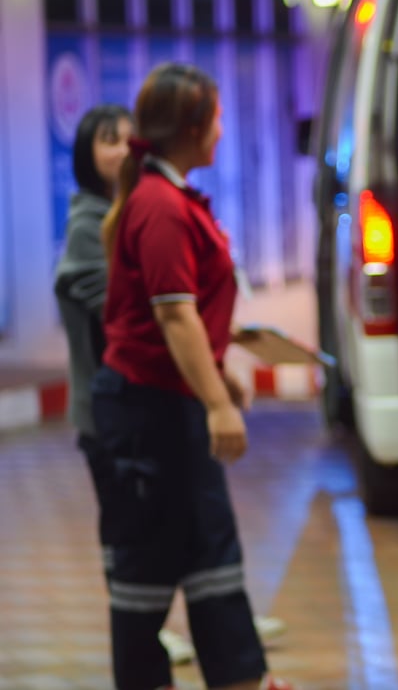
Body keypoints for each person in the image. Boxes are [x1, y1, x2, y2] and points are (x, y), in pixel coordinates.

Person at [90, 63, 292, 690]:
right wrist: (218, 404)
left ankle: (242, 678)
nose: (223, 131)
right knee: (149, 563)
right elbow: (173, 317)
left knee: (208, 547)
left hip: (168, 402)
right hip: (149, 411)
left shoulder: (166, 197)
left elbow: (187, 321)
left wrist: (217, 377)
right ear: (193, 127)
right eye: (218, 119)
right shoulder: (160, 205)